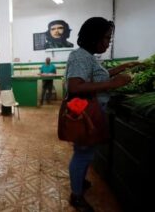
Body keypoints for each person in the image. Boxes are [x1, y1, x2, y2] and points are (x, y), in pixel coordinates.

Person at [65, 17, 140, 212]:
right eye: (106, 38)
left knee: (86, 152)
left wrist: (118, 70)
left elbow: (96, 76)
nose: (108, 42)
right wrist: (112, 84)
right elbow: (75, 86)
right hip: (84, 114)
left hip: (91, 112)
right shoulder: (80, 56)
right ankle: (76, 195)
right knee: (82, 154)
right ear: (94, 37)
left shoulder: (88, 56)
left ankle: (80, 180)